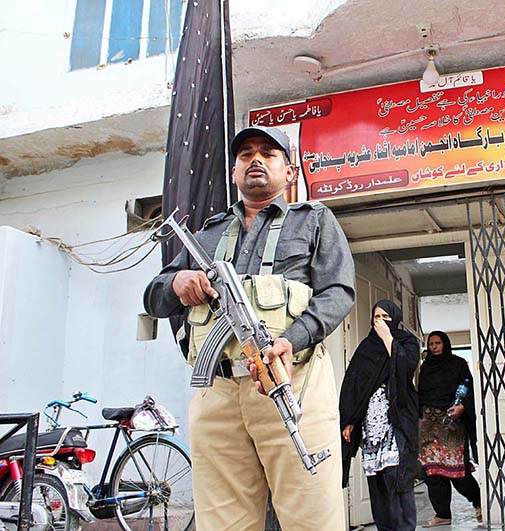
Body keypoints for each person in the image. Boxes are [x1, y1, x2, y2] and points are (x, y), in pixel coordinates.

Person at [143, 125, 355, 531]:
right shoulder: (207, 233)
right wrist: (177, 282)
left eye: (268, 153)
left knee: (312, 517)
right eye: (246, 154)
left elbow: (338, 293)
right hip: (216, 393)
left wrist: (290, 341)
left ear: (290, 172)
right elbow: (153, 296)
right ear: (235, 173)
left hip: (292, 383)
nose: (255, 159)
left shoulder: (313, 221)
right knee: (223, 521)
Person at [339, 300, 420, 531]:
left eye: (385, 316)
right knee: (377, 482)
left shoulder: (406, 341)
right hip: (370, 429)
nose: (380, 321)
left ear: (394, 318)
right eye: (376, 317)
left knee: (398, 478)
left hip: (397, 424)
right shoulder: (366, 347)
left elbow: (406, 367)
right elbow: (354, 386)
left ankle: (405, 528)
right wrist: (350, 421)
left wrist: (388, 339)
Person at [418, 331, 482, 527]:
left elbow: (469, 388)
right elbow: (421, 394)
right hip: (429, 425)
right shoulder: (425, 367)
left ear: (445, 344)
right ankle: (442, 513)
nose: (435, 347)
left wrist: (462, 407)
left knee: (457, 471)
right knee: (432, 472)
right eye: (431, 343)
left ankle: (480, 502)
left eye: (438, 343)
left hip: (452, 424)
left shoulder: (458, 364)